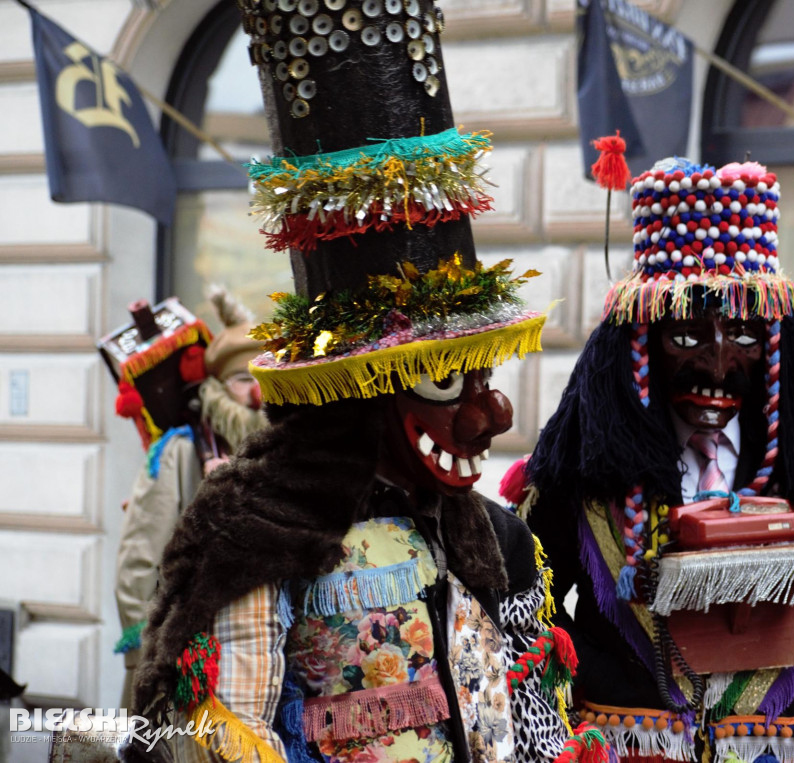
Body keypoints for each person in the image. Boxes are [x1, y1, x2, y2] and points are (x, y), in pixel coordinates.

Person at [124, 3, 607, 762]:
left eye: (485, 377)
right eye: (449, 382)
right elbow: (221, 738)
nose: (490, 414)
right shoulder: (262, 532)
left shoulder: (494, 533)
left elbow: (536, 718)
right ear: (364, 388)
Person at [503, 158, 794, 763]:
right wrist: (596, 685)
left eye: (745, 337)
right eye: (688, 336)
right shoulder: (588, 465)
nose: (719, 364)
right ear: (642, 340)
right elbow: (528, 594)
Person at [109, 288, 266, 709]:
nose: (256, 395)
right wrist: (146, 658)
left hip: (259, 656)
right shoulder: (181, 450)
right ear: (217, 387)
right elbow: (140, 560)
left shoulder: (280, 452)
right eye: (242, 380)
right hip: (186, 653)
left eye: (263, 379)